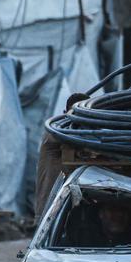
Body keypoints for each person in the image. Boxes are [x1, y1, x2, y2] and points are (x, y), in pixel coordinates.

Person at [35, 92, 89, 222]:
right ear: (66, 112)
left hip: (63, 205)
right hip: (50, 207)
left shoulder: (82, 136)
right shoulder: (57, 131)